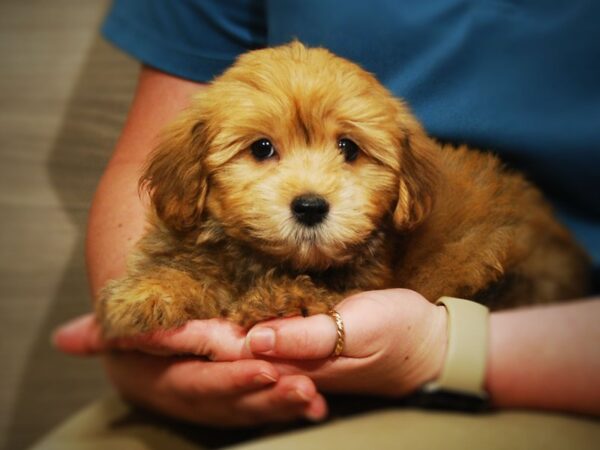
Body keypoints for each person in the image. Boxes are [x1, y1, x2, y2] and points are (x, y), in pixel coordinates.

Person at [44, 0, 600, 448]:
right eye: (263, 148)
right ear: (195, 172)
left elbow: (295, 312)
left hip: (538, 352)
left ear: (405, 183)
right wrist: (152, 356)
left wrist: (445, 346)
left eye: (349, 149)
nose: (310, 192)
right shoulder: (188, 169)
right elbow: (151, 188)